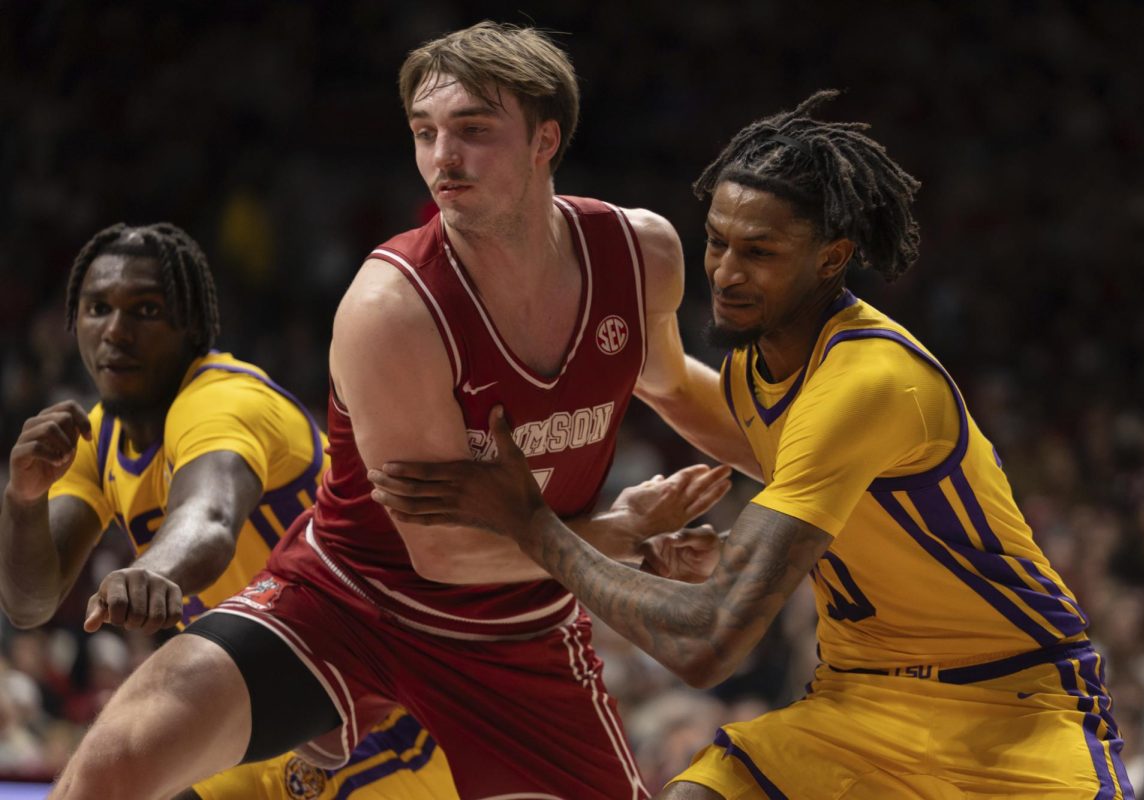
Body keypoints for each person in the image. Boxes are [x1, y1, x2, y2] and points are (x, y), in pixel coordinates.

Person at [45, 23, 749, 800]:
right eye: (424, 132)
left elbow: (675, 385)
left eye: (473, 131)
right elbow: (440, 554)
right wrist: (620, 538)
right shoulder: (392, 307)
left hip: (517, 629)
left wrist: (816, 465)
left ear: (546, 138)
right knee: (114, 760)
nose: (443, 157)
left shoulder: (638, 250)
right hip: (350, 597)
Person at [373, 90, 1137, 799]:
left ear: (832, 257)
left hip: (1016, 708)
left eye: (760, 253)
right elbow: (672, 386)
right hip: (859, 706)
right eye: (717, 243)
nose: (727, 274)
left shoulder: (867, 380)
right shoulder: (756, 368)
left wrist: (530, 524)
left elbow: (707, 645)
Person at [0, 222, 458, 799]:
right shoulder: (95, 438)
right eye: (97, 309)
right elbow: (29, 601)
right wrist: (24, 499)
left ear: (192, 325)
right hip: (269, 714)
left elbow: (210, 519)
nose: (115, 331)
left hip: (381, 710)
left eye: (144, 310)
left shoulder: (223, 401)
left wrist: (155, 569)